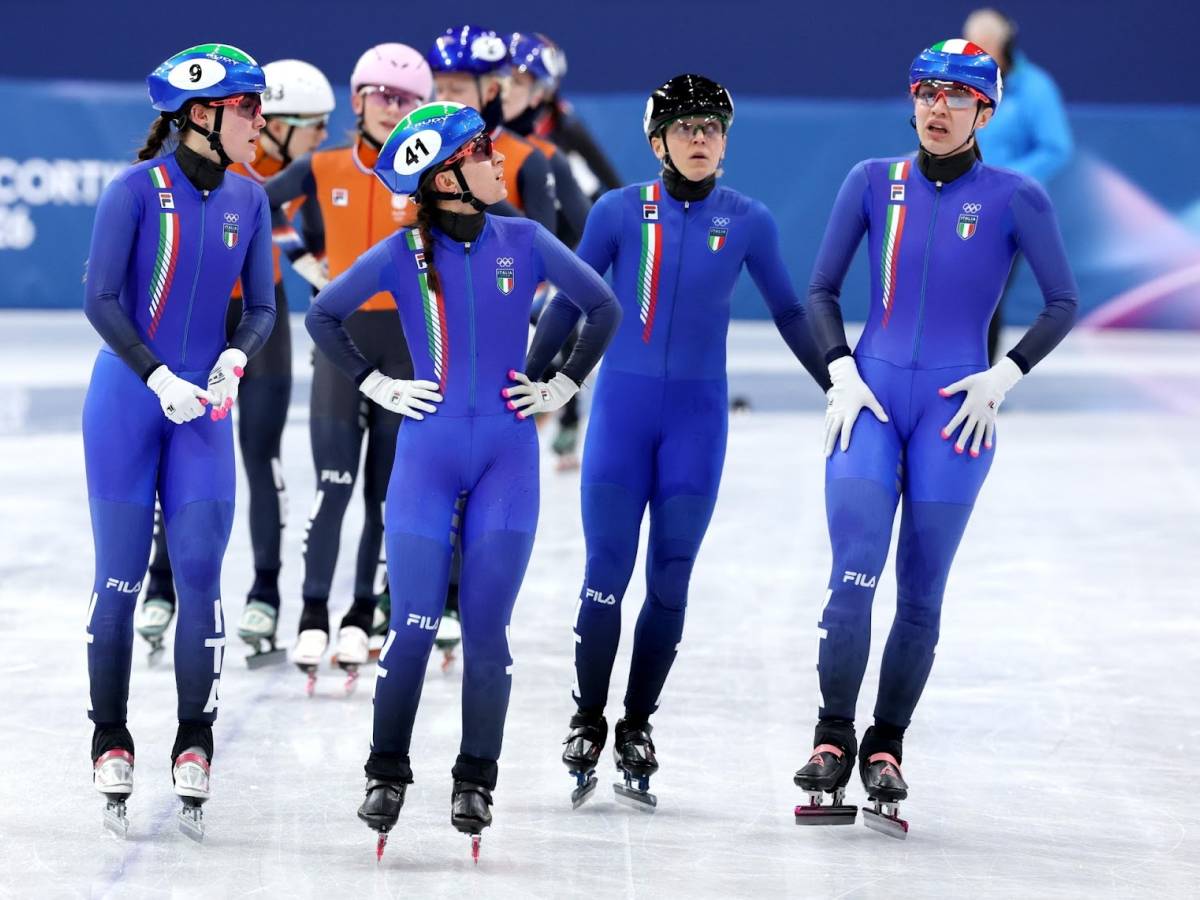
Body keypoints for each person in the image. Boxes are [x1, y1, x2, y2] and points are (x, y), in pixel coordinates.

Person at [304, 101, 619, 859]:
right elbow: (323, 316)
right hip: (428, 455)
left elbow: (602, 306)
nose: (495, 160)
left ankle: (476, 776)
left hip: (507, 457)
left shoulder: (527, 239)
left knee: (486, 636)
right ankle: (387, 770)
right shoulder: (398, 256)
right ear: (445, 178)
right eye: (479, 151)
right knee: (410, 628)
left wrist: (563, 385)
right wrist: (375, 383)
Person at [792, 39, 1077, 839]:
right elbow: (820, 289)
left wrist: (1004, 376)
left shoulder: (1018, 197)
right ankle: (831, 736)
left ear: (985, 110)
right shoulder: (870, 182)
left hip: (957, 410)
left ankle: (886, 747)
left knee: (921, 592)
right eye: (926, 93)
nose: (938, 108)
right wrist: (841, 371)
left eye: (957, 97)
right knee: (852, 576)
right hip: (872, 404)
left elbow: (1061, 301)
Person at [524, 74, 830, 810]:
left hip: (696, 424)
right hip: (622, 419)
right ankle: (588, 717)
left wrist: (837, 380)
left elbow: (791, 310)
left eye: (713, 129)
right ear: (657, 141)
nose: (701, 140)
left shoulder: (748, 220)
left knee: (670, 576)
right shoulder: (616, 212)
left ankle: (635, 724)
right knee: (605, 570)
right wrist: (527, 383)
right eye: (686, 128)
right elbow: (570, 299)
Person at [83, 43, 274, 840]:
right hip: (131, 403)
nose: (259, 123)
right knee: (123, 579)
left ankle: (194, 736)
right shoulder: (133, 191)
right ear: (202, 115)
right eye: (248, 109)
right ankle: (111, 735)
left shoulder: (250, 199)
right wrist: (157, 376)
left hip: (207, 408)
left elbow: (262, 306)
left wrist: (234, 359)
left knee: (200, 576)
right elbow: (98, 297)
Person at [132, 59, 335, 667]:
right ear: (277, 124)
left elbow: (318, 238)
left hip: (257, 324)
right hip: (195, 325)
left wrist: (320, 272)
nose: (323, 137)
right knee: (180, 449)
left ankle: (265, 591)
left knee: (260, 453)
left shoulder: (290, 175)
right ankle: (161, 582)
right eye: (313, 126)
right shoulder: (219, 161)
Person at [262, 43, 432, 692]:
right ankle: (312, 611)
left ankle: (363, 612)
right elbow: (261, 207)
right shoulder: (325, 162)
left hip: (410, 348)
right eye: (381, 96)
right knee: (333, 485)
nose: (392, 109)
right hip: (342, 345)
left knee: (385, 496)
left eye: (406, 100)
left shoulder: (427, 176)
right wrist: (312, 269)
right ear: (357, 100)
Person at [963, 8, 1074, 363]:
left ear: (1003, 46)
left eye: (984, 47)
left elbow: (1056, 148)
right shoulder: (965, 84)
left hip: (1012, 209)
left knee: (985, 291)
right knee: (959, 288)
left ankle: (981, 377)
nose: (976, 55)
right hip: (964, 200)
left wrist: (1005, 179)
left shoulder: (1035, 88)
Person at [428, 25, 559, 233]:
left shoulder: (530, 158)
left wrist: (471, 186)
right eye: (439, 89)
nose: (444, 99)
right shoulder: (423, 151)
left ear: (491, 91)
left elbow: (544, 248)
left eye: (457, 89)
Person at [532, 41, 623, 201]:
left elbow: (601, 167)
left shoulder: (566, 124)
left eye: (540, 81)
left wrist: (627, 203)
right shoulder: (499, 122)